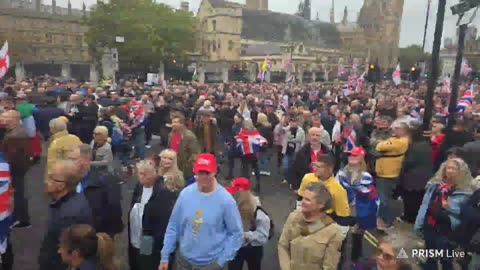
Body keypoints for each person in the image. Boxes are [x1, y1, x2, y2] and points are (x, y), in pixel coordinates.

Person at [159, 153, 243, 270]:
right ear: (195, 172)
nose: (203, 176)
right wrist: (165, 255)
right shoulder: (185, 195)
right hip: (184, 261)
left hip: (211, 264)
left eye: (207, 173)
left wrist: (221, 261)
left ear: (214, 172)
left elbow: (236, 233)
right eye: (200, 172)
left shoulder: (226, 200)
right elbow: (173, 226)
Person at [414, 158, 474, 270]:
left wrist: (449, 207)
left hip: (447, 231)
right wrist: (419, 223)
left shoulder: (465, 192)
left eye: (454, 168)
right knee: (430, 257)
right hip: (430, 225)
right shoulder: (435, 185)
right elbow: (425, 205)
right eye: (448, 168)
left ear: (461, 171)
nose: (450, 171)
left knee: (446, 260)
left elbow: (464, 214)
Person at [39, 160, 93, 270]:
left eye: (51, 178)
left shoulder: (69, 215)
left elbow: (63, 256)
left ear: (61, 186)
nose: (45, 181)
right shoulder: (67, 203)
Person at [278, 182, 344, 270]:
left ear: (321, 204)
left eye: (307, 200)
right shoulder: (293, 217)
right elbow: (283, 245)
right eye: (303, 198)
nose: (302, 202)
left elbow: (329, 267)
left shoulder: (333, 232)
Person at [129, 160, 179, 270]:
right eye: (139, 173)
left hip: (152, 242)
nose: (141, 177)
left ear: (153, 174)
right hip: (136, 236)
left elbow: (164, 221)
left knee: (148, 263)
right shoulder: (139, 188)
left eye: (144, 174)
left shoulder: (163, 192)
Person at [66, 144, 123, 237]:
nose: (68, 163)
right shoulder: (66, 179)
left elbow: (114, 212)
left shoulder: (106, 181)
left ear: (87, 160)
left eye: (73, 159)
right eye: (68, 159)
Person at [336, 147, 379, 267]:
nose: (351, 158)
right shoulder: (341, 173)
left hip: (360, 210)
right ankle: (339, 260)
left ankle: (355, 261)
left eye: (355, 156)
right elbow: (337, 189)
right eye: (350, 156)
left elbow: (369, 194)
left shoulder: (366, 176)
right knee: (341, 237)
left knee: (357, 237)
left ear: (361, 158)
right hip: (344, 209)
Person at [226, 178, 270, 270]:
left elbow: (263, 236)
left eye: (235, 192)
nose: (232, 194)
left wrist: (246, 235)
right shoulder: (232, 205)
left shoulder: (258, 212)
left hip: (253, 248)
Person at [375, 121, 409, 230]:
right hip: (383, 172)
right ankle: (382, 218)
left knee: (385, 198)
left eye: (397, 128)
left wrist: (384, 142)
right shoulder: (395, 139)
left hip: (389, 173)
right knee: (383, 196)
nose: (394, 130)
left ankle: (386, 221)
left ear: (404, 130)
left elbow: (380, 146)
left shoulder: (402, 141)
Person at [2, 110, 31, 228]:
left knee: (17, 193)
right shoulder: (16, 131)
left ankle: (20, 218)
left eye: (4, 117)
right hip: (19, 167)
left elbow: (11, 155)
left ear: (13, 119)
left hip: (15, 168)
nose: (1, 119)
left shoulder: (15, 135)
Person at [168, 114, 200, 179]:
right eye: (172, 122)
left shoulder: (189, 136)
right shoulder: (171, 134)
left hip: (184, 167)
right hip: (173, 164)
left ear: (182, 124)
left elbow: (195, 153)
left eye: (176, 122)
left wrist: (188, 165)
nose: (173, 124)